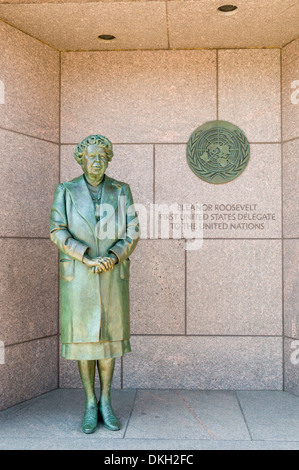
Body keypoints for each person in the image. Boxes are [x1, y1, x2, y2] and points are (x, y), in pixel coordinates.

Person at [50, 134, 140, 434]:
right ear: (81, 158)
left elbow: (132, 231)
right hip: (79, 275)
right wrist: (86, 257)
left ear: (108, 159)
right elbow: (57, 230)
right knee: (85, 340)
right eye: (91, 156)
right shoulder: (66, 191)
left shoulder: (121, 190)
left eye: (102, 156)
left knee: (109, 340)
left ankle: (106, 400)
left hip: (112, 274)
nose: (97, 161)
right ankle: (89, 402)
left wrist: (113, 257)